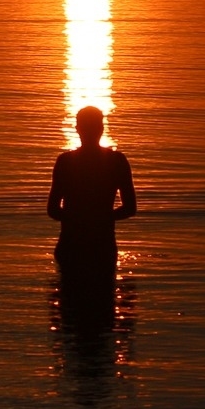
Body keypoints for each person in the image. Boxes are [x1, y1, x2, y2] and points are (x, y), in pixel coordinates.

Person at [46, 106, 137, 283]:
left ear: (77, 128)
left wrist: (78, 218)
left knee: (70, 303)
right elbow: (130, 208)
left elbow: (53, 210)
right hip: (101, 245)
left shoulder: (65, 161)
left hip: (72, 244)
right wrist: (101, 218)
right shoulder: (117, 161)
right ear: (102, 129)